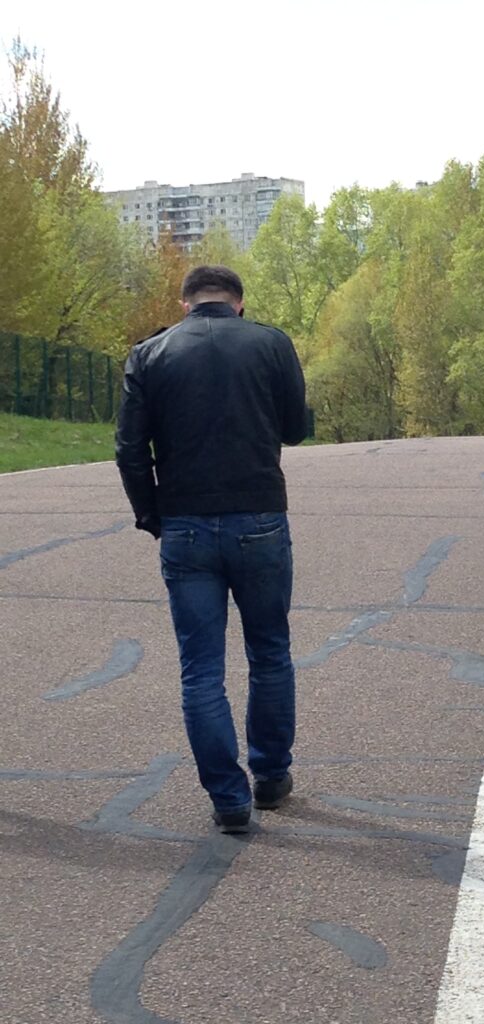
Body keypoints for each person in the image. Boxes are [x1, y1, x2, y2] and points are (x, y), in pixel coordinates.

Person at [115, 265, 307, 833]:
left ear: (185, 304)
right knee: (269, 651)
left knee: (201, 669)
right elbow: (295, 429)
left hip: (185, 522)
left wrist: (151, 514)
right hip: (259, 513)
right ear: (239, 303)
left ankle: (228, 799)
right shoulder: (271, 344)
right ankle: (270, 775)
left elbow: (129, 448)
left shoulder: (149, 354)